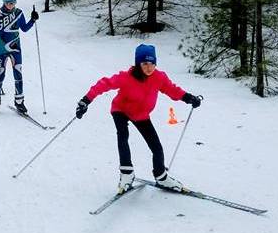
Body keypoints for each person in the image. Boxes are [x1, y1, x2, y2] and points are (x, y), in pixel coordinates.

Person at [74, 44, 203, 193]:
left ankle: (161, 177)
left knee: (156, 146)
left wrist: (189, 98)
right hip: (121, 110)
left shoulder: (159, 77)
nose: (149, 67)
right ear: (138, 63)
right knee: (123, 136)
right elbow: (104, 84)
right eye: (145, 64)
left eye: (152, 63)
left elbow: (172, 89)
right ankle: (127, 174)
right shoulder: (126, 77)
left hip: (141, 115)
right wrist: (86, 100)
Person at [0, 0, 39, 114]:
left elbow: (24, 28)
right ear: (4, 1)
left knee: (18, 74)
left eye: (13, 2)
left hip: (16, 48)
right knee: (0, 74)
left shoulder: (18, 13)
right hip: (1, 48)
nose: (11, 5)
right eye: (8, 2)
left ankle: (19, 102)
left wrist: (32, 20)